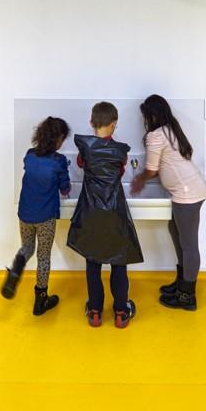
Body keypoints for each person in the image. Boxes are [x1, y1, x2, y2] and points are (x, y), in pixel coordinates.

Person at [67, 102, 143, 328]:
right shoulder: (121, 153)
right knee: (119, 261)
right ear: (114, 124)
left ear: (91, 123)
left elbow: (82, 165)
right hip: (115, 212)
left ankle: (95, 311)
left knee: (93, 261)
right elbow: (119, 172)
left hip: (91, 211)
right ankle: (121, 311)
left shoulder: (84, 149)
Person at [131, 94, 206, 311]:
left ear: (152, 115)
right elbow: (161, 167)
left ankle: (187, 296)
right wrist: (144, 177)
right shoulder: (170, 129)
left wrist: (139, 179)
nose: (145, 120)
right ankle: (181, 282)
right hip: (188, 190)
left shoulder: (157, 134)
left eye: (146, 116)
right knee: (175, 231)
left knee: (189, 244)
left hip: (187, 194)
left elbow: (152, 169)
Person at [1, 117, 71, 316]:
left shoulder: (29, 156)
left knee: (27, 247)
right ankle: (41, 300)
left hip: (25, 213)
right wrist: (64, 181)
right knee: (43, 257)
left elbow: (34, 173)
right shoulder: (58, 162)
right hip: (45, 218)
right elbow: (65, 189)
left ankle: (15, 272)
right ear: (58, 140)